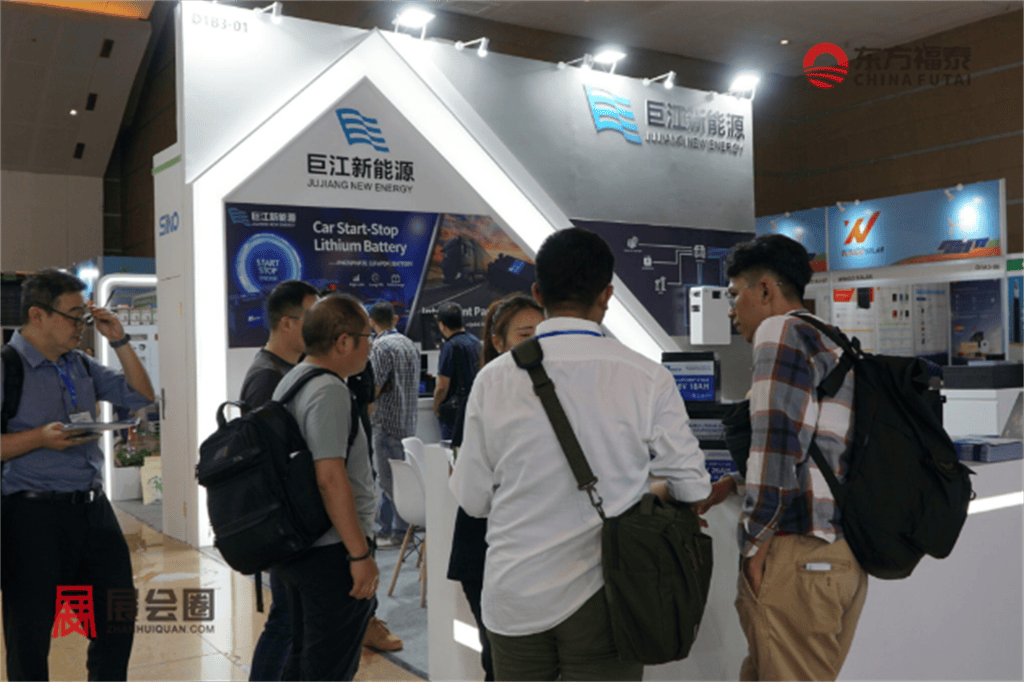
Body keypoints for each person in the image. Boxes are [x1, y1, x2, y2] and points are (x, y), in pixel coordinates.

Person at [449, 228, 711, 682]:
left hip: (514, 593)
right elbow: (692, 486)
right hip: (607, 595)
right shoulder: (646, 376)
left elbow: (473, 500)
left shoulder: (493, 379)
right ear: (607, 295)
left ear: (538, 293)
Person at [719, 234, 867, 682]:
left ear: (765, 289)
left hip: (798, 554)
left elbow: (778, 443)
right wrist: (735, 484)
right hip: (840, 556)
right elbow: (821, 452)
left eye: (734, 294)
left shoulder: (779, 331)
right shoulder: (833, 341)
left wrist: (755, 546)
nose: (731, 310)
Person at [0, 269, 155, 681]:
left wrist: (119, 340)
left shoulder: (81, 364)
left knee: (117, 618)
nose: (82, 326)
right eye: (74, 316)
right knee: (30, 634)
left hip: (93, 511)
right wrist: (38, 438)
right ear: (38, 315)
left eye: (85, 316)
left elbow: (141, 396)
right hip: (31, 517)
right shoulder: (7, 368)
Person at [271, 293, 379, 681]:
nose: (370, 347)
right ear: (344, 342)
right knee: (327, 666)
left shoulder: (294, 379)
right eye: (367, 337)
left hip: (302, 545)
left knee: (304, 657)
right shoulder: (328, 390)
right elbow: (330, 478)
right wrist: (359, 554)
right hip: (332, 551)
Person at [446, 293, 544, 682]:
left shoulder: (561, 388)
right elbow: (471, 487)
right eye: (525, 334)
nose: (537, 342)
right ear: (498, 342)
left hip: (533, 550)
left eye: (544, 333)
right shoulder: (486, 388)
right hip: (485, 545)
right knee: (499, 659)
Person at [240, 280, 317, 682]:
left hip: (292, 520)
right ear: (287, 323)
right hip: (285, 523)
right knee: (286, 620)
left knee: (293, 620)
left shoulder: (284, 370)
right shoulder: (268, 378)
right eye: (312, 318)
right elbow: (268, 462)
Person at [433, 302, 481, 441]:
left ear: (442, 325)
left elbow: (442, 386)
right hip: (475, 406)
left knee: (452, 449)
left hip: (454, 413)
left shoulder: (450, 346)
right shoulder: (475, 342)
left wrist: (436, 407)